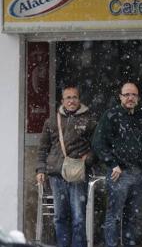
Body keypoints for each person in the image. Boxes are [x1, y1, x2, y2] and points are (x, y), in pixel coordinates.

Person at [36, 86, 96, 247]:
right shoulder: (51, 121)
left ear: (79, 100)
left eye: (74, 97)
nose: (71, 100)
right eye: (68, 97)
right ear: (62, 101)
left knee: (78, 217)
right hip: (56, 176)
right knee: (60, 216)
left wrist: (87, 159)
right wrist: (41, 169)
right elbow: (43, 148)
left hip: (78, 175)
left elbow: (97, 147)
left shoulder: (89, 121)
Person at [92, 82, 142, 247]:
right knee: (114, 216)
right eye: (127, 95)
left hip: (138, 173)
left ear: (138, 98)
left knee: (133, 217)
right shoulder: (110, 115)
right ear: (120, 97)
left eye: (134, 95)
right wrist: (112, 163)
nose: (130, 98)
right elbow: (98, 143)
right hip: (119, 173)